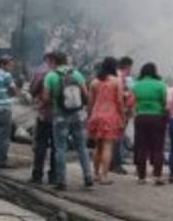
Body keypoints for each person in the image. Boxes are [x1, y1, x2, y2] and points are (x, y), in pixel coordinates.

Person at [42, 52, 94, 190]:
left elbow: (46, 98)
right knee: (82, 147)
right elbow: (86, 95)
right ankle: (88, 176)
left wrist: (49, 104)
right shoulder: (77, 74)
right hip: (78, 115)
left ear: (54, 61)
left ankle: (61, 181)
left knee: (60, 148)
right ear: (66, 60)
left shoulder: (51, 76)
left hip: (60, 115)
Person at [86, 56, 126, 185]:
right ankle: (104, 176)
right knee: (108, 146)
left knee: (98, 146)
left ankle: (95, 174)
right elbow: (119, 101)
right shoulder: (116, 81)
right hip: (110, 115)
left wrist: (89, 117)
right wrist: (122, 117)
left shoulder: (94, 82)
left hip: (96, 115)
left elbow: (90, 103)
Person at [131, 63, 169, 185]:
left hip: (141, 117)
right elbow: (166, 103)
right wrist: (166, 116)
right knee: (158, 148)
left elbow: (132, 102)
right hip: (157, 117)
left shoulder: (136, 85)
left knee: (141, 147)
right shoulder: (160, 85)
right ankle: (157, 176)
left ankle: (141, 177)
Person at [27, 53, 59, 185]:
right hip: (60, 116)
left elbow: (32, 90)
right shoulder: (66, 74)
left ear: (48, 59)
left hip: (44, 114)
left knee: (41, 145)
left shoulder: (42, 73)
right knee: (57, 147)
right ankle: (54, 176)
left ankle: (37, 175)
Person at [111, 56, 136, 175]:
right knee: (118, 137)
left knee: (112, 138)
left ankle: (110, 162)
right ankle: (116, 163)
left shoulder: (112, 76)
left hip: (110, 110)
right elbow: (127, 95)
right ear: (128, 66)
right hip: (121, 110)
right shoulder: (123, 79)